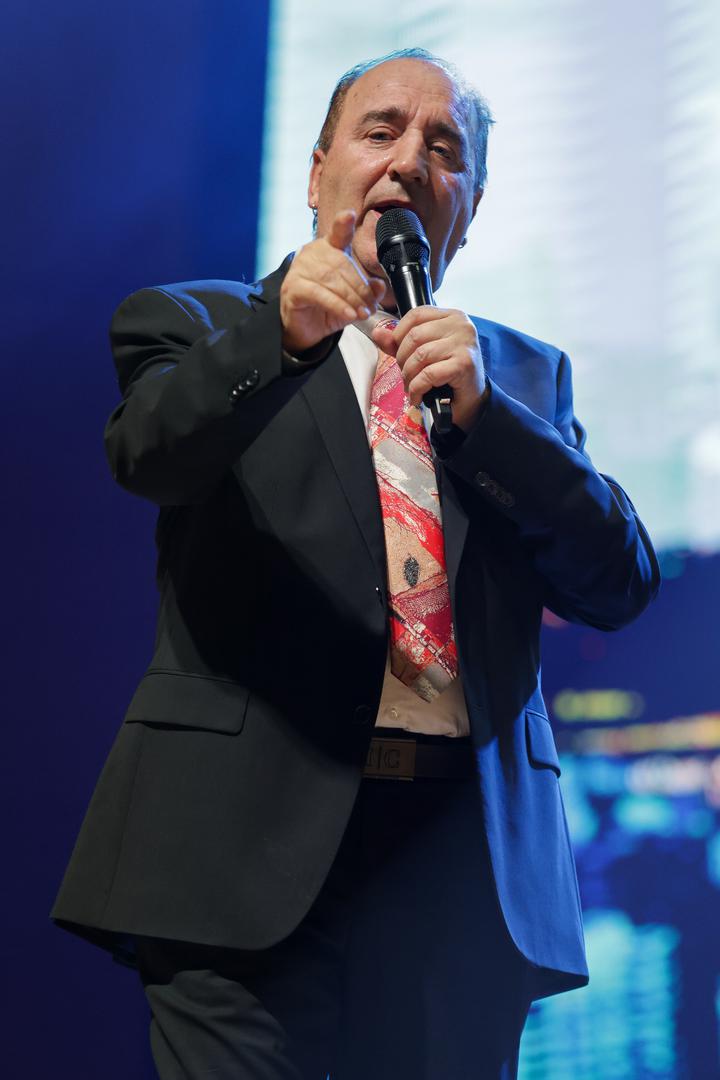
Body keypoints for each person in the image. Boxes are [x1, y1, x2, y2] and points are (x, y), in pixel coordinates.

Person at [52, 47, 660, 1079]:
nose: (410, 161)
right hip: (235, 847)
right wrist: (278, 340)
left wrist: (491, 422)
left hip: (457, 865)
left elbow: (618, 581)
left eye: (445, 149)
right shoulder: (196, 324)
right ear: (316, 171)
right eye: (381, 131)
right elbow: (147, 456)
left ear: (470, 208)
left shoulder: (520, 375)